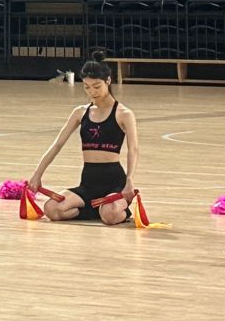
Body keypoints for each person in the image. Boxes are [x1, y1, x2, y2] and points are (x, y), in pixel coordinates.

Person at [25, 56, 140, 224]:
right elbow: (57, 145)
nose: (92, 92)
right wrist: (37, 174)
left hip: (115, 183)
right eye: (87, 87)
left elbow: (133, 149)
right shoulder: (80, 112)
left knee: (110, 214)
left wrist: (129, 181)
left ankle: (117, 211)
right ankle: (96, 211)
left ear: (108, 81)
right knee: (51, 209)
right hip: (88, 183)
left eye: (97, 86)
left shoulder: (124, 113)